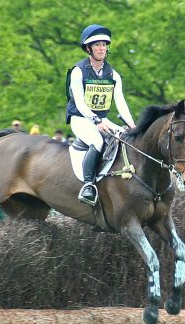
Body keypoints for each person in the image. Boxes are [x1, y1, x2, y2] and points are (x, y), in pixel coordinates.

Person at [65, 24, 136, 204]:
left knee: (124, 137)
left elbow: (120, 102)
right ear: (88, 48)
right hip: (80, 119)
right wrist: (96, 120)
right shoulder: (78, 71)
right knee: (97, 141)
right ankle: (88, 186)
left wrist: (133, 125)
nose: (102, 48)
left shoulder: (113, 74)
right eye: (97, 45)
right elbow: (80, 103)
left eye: (104, 45)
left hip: (102, 118)